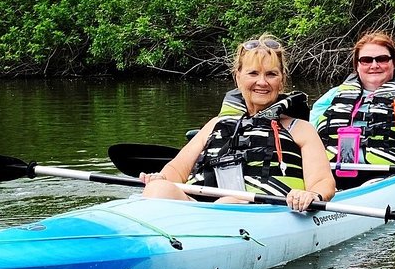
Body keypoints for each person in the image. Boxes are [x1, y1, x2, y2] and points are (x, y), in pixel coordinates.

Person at [139, 33, 335, 211]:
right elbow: (176, 169)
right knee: (158, 189)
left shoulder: (300, 129)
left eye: (271, 74)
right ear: (238, 77)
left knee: (229, 201)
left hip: (263, 212)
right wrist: (161, 178)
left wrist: (310, 195)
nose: (262, 82)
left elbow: (323, 181)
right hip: (201, 209)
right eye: (253, 73)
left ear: (281, 81)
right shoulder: (216, 124)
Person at [310, 30, 395, 189]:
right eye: (366, 60)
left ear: (394, 63)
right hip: (330, 175)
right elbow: (307, 141)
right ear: (357, 65)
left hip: (391, 175)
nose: (374, 65)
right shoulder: (330, 97)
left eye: (382, 59)